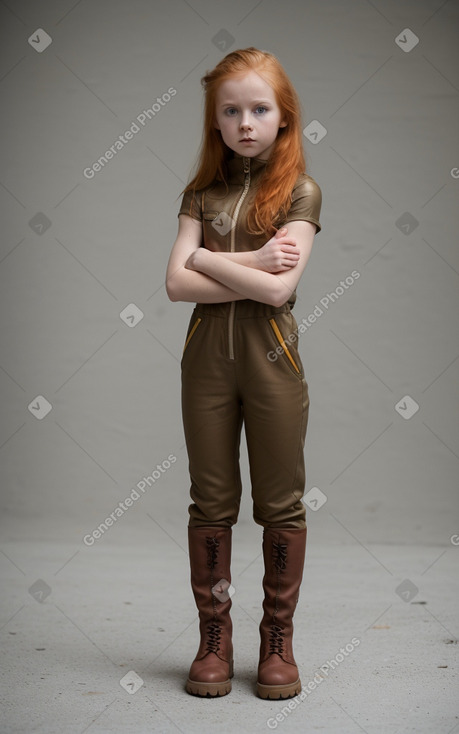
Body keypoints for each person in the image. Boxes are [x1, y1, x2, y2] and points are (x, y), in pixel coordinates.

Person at [165, 47, 322, 700]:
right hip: (204, 367)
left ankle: (276, 640)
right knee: (211, 502)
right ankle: (213, 639)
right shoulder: (200, 193)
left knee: (279, 502)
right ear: (216, 122)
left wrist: (211, 257)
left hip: (273, 368)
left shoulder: (300, 193)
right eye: (230, 111)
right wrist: (253, 261)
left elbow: (277, 295)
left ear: (283, 118)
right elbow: (175, 285)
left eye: (259, 109)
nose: (245, 121)